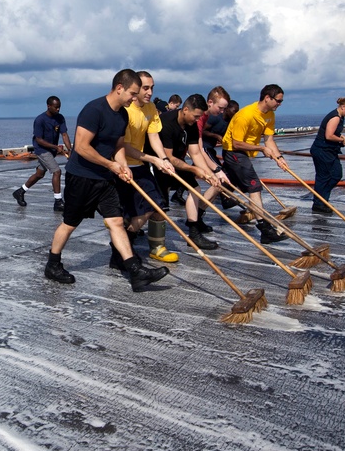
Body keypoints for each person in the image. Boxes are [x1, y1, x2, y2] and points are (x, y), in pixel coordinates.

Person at [44, 69, 169, 291]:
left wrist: (121, 165)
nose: (134, 98)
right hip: (82, 177)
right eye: (132, 93)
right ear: (119, 87)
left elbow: (118, 145)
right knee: (70, 223)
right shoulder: (94, 110)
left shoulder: (122, 114)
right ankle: (53, 264)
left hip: (104, 178)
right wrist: (111, 164)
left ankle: (134, 271)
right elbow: (82, 148)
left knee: (116, 221)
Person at [116, 71, 179, 264]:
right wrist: (154, 160)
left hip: (141, 165)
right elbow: (123, 146)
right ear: (134, 89)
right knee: (138, 211)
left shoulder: (151, 108)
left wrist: (163, 159)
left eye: (152, 87)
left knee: (157, 206)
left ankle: (157, 248)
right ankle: (123, 243)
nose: (150, 92)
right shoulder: (125, 111)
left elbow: (153, 137)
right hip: (122, 166)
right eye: (145, 88)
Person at [148, 94, 220, 249]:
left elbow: (195, 153)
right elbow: (168, 157)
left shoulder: (192, 124)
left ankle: (193, 234)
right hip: (160, 165)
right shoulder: (166, 123)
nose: (196, 120)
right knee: (159, 207)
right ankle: (132, 233)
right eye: (195, 116)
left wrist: (209, 174)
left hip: (177, 164)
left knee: (196, 189)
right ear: (185, 109)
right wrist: (193, 169)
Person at [221, 85, 289, 245]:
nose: (280, 104)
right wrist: (261, 148)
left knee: (220, 183)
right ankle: (265, 230)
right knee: (255, 187)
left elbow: (269, 140)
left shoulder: (270, 115)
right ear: (267, 98)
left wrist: (279, 157)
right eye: (278, 101)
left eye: (281, 101)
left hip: (244, 152)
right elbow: (236, 144)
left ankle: (197, 216)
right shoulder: (245, 115)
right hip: (233, 152)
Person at [13, 96, 72, 211]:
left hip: (51, 151)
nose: (58, 109)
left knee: (39, 174)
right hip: (41, 150)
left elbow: (64, 135)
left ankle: (20, 191)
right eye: (56, 107)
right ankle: (58, 202)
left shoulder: (60, 118)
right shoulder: (40, 120)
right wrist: (55, 146)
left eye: (59, 107)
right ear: (48, 106)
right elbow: (39, 139)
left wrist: (70, 150)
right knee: (57, 171)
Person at [309, 98, 345, 214]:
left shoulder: (340, 117)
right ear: (343, 107)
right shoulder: (335, 117)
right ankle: (319, 203)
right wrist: (342, 140)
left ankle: (322, 200)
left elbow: (334, 133)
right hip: (322, 150)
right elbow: (329, 136)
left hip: (329, 151)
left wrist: (342, 138)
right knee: (323, 177)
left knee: (336, 175)